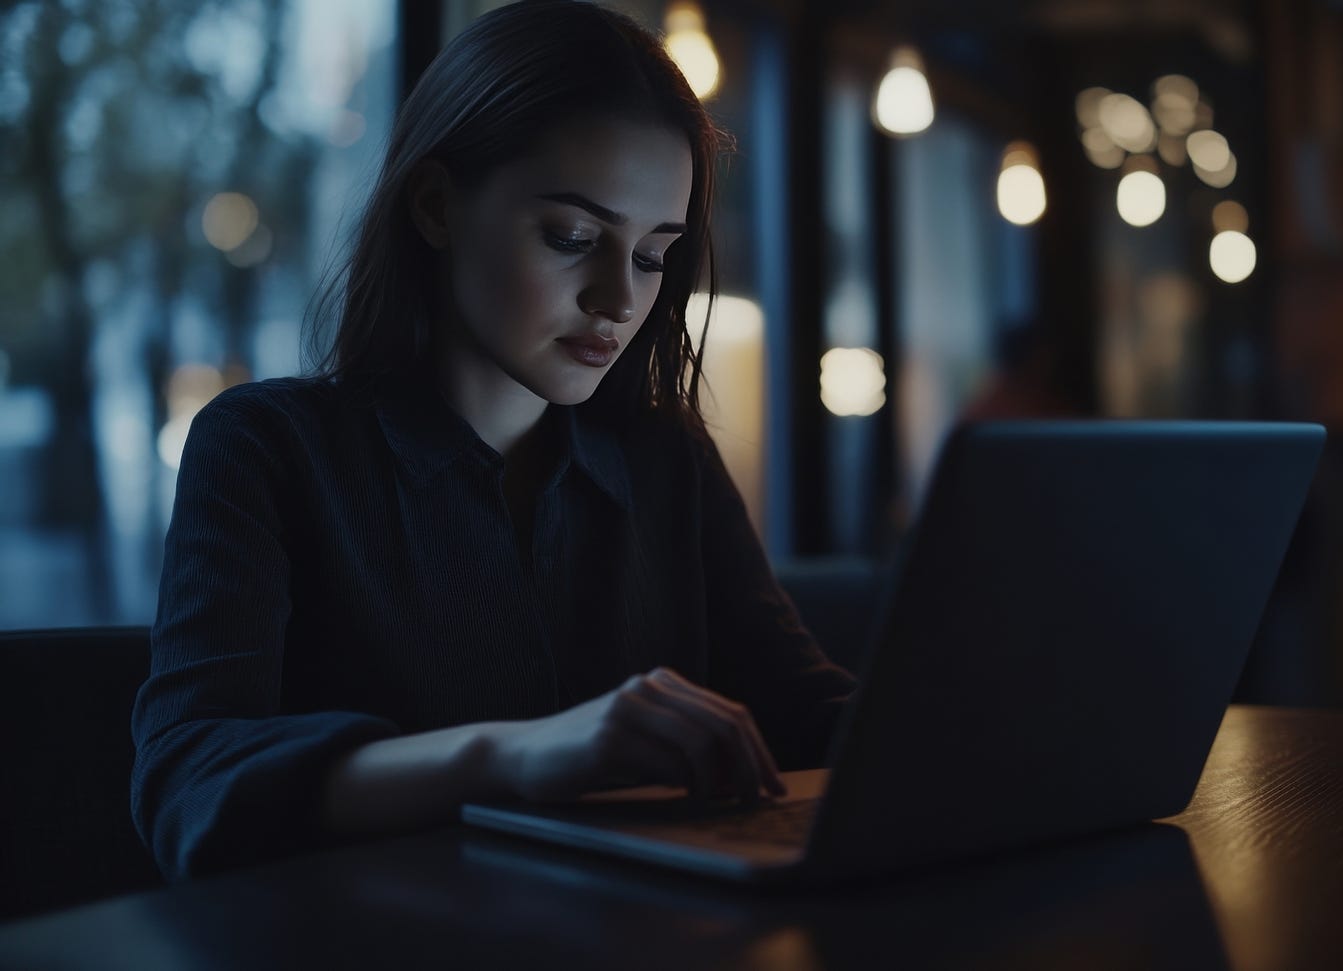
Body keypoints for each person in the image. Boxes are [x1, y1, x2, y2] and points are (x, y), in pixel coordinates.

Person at [132, 0, 857, 882]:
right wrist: (507, 756)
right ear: (436, 204)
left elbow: (811, 713)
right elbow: (188, 779)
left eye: (652, 254)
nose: (620, 301)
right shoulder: (268, 448)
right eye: (573, 237)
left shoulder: (663, 458)